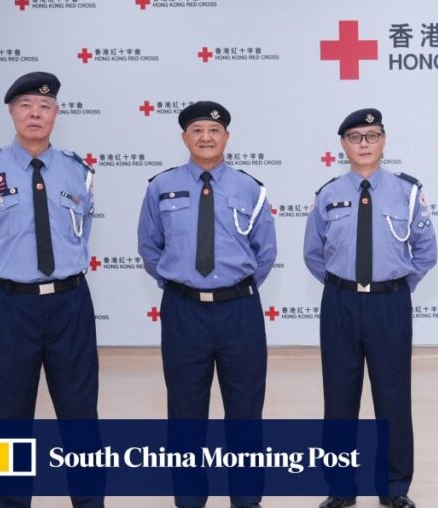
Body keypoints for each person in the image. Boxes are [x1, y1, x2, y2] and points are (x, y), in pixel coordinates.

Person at [0, 71, 102, 508]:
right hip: (10, 309)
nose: (35, 113)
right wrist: (7, 282)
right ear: (11, 112)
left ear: (56, 113)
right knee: (7, 420)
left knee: (80, 417)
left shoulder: (79, 172)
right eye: (25, 105)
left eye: (44, 106)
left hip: (70, 306)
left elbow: (82, 234)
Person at [137, 100, 276, 508]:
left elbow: (264, 252)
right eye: (197, 130)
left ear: (226, 137)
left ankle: (246, 499)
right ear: (184, 138)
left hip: (239, 312)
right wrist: (184, 286)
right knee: (185, 412)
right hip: (184, 312)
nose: (206, 137)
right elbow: (150, 247)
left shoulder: (250, 188)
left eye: (214, 130)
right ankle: (190, 498)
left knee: (245, 411)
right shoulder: (161, 187)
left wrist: (233, 288)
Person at [303, 108, 437, 508]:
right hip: (340, 303)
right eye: (356, 137)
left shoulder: (407, 192)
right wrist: (345, 286)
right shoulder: (327, 194)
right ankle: (340, 487)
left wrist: (393, 288)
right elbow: (314, 254)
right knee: (339, 396)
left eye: (372, 135)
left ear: (384, 141)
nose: (365, 143)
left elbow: (425, 252)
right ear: (343, 144)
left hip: (389, 303)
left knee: (393, 396)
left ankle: (394, 486)